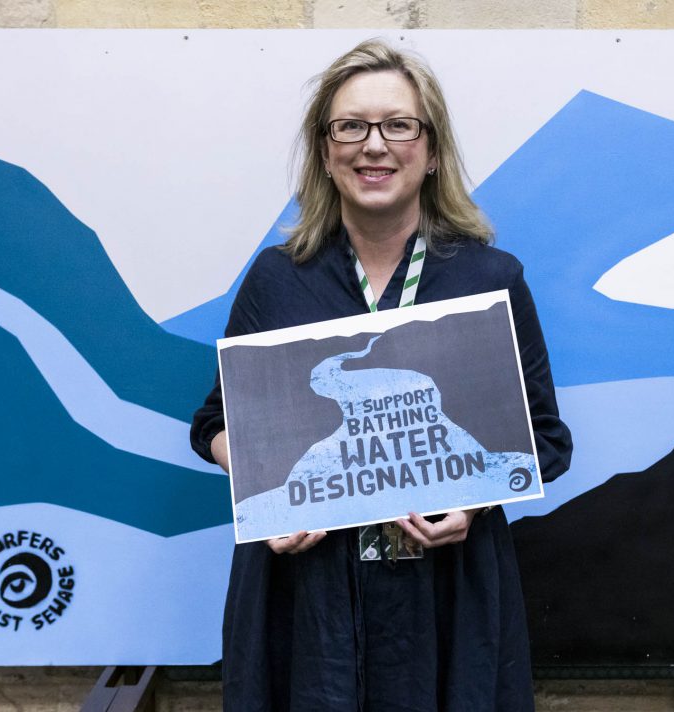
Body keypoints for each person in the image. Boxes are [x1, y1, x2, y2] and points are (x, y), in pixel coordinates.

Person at [191, 38, 572, 712]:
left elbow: (545, 439)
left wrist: (474, 500)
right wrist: (271, 491)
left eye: (398, 125)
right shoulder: (277, 280)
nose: (374, 146)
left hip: (446, 590)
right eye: (350, 127)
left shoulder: (489, 280)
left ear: (432, 151)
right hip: (306, 594)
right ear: (325, 151)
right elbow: (214, 426)